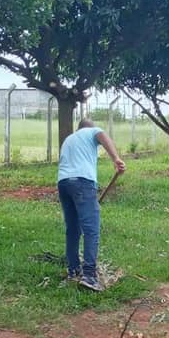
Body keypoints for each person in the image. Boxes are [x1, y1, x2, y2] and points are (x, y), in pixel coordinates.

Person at [58, 118, 125, 292]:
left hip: (64, 183)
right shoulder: (92, 131)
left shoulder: (69, 139)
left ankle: (73, 271)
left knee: (73, 229)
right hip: (82, 182)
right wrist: (116, 159)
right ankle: (89, 275)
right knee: (91, 229)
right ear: (90, 127)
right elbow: (102, 135)